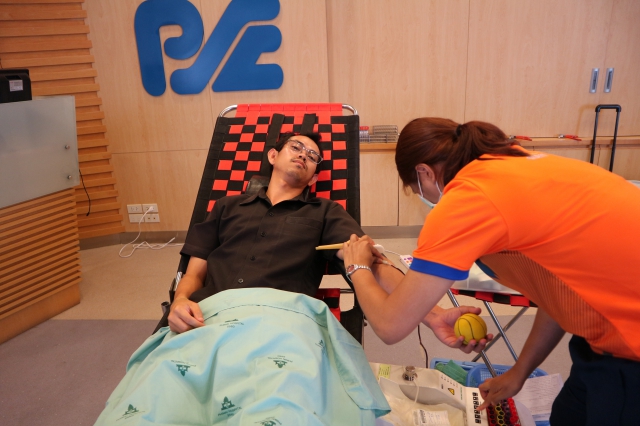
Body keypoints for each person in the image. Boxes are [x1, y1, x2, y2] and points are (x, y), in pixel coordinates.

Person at [342, 117, 640, 425]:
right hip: (603, 335)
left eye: (415, 190)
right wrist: (519, 372)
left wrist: (356, 265)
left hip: (628, 342)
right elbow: (555, 290)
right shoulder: (515, 161)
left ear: (424, 173)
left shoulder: (468, 197)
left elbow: (390, 325)